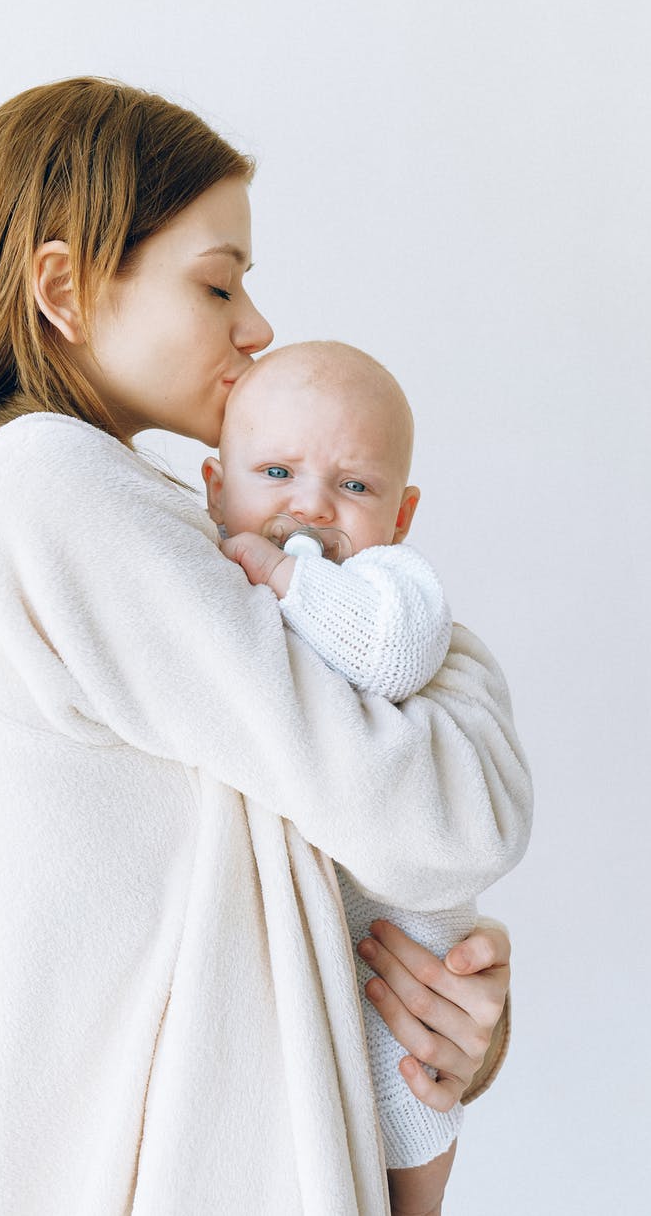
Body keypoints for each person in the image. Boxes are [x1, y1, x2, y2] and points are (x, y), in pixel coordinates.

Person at [0, 77, 532, 1216]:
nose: (256, 327)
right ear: (61, 285)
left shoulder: (23, 509)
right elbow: (455, 820)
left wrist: (435, 1020)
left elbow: (310, 836)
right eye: (217, 281)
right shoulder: (44, 490)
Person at [201, 339, 508, 1172]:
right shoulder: (193, 575)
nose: (312, 509)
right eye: (275, 474)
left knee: (413, 1114)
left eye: (354, 487)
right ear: (212, 486)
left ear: (400, 518)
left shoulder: (395, 588)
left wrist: (287, 579)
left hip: (401, 947)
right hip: (306, 977)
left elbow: (389, 656)